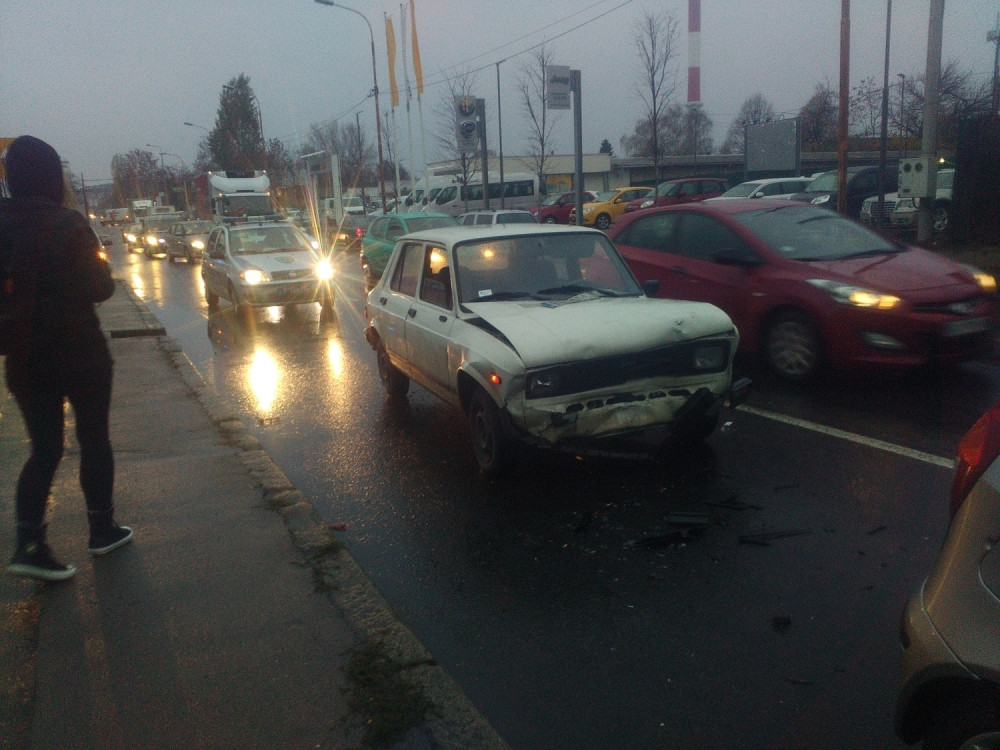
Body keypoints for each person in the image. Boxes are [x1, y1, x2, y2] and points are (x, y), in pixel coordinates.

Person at [2, 135, 132, 581]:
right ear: (52, 175)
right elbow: (100, 289)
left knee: (43, 450)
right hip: (80, 355)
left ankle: (29, 543)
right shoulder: (69, 224)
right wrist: (100, 267)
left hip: (22, 358)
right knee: (94, 439)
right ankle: (102, 529)